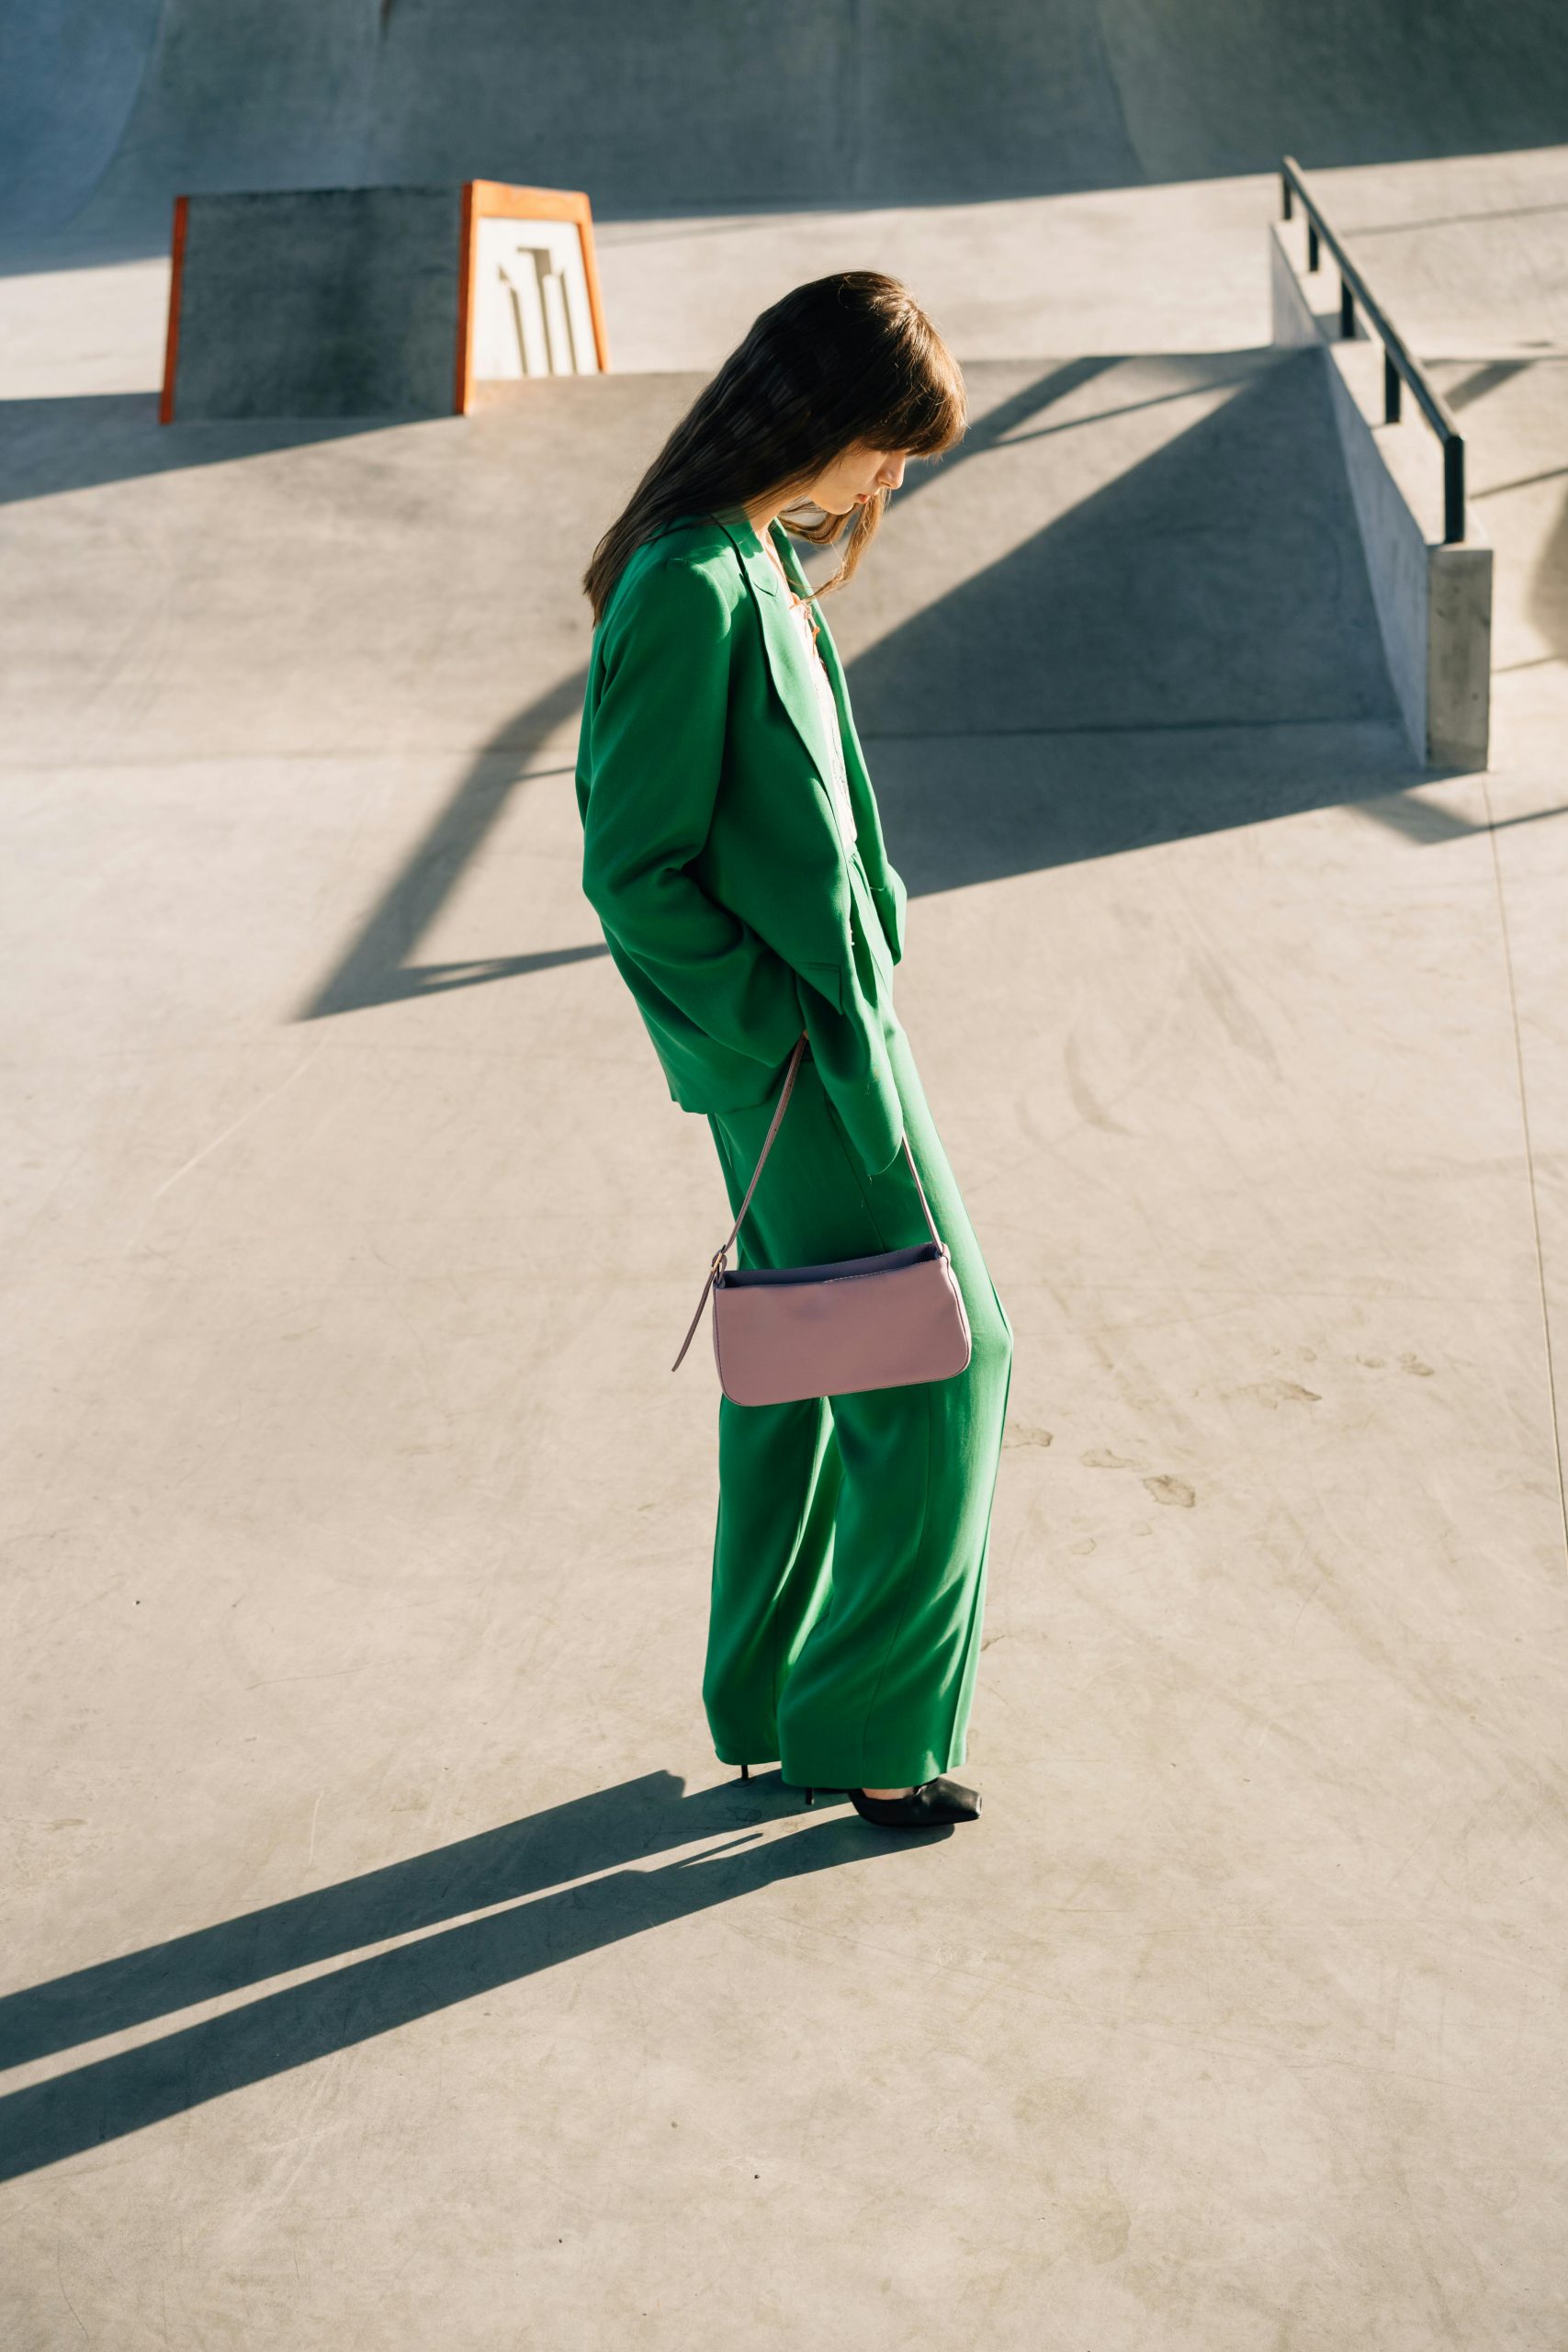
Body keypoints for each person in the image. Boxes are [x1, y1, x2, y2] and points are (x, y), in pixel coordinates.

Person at [575, 271, 1013, 1831]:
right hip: (802, 1068)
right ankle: (870, 1732)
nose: (892, 478)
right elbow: (631, 869)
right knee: (944, 1367)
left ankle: (768, 1698)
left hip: (839, 1046)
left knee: (812, 1367)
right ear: (817, 414)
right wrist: (777, 1040)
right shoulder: (685, 588)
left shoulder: (754, 555)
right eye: (888, 444)